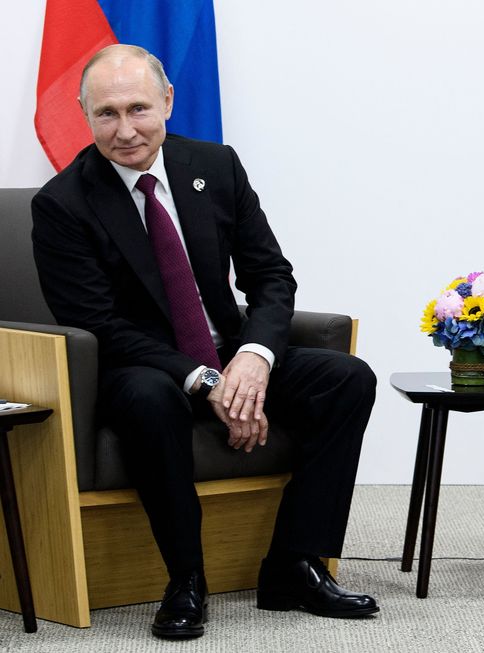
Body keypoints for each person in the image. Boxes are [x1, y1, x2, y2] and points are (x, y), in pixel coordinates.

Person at [31, 44, 379, 640]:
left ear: (167, 101)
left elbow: (271, 276)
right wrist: (204, 379)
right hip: (139, 365)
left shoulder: (215, 166)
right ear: (85, 116)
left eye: (138, 108)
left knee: (348, 377)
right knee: (148, 396)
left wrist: (254, 358)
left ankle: (293, 564)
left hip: (227, 350)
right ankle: (186, 579)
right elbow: (100, 324)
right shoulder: (62, 204)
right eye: (106, 114)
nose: (125, 130)